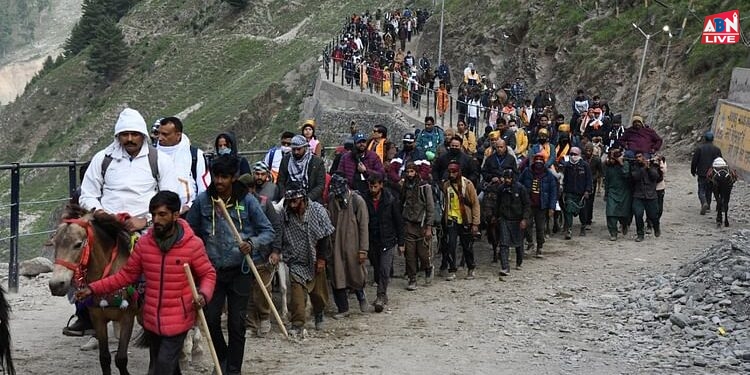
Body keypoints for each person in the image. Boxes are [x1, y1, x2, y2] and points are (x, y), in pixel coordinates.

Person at [76, 191, 216, 375]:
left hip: (178, 318)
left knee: (161, 368)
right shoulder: (145, 244)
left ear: (175, 215)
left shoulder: (192, 244)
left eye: (162, 215)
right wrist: (92, 289)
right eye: (154, 215)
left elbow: (208, 273)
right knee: (168, 368)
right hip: (152, 320)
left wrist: (203, 295)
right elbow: (126, 276)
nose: (156, 220)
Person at [76, 108, 182, 349]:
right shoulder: (102, 158)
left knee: (160, 269)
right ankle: (86, 314)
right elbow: (88, 193)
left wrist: (146, 219)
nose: (130, 139)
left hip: (146, 228)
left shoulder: (159, 160)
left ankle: (156, 313)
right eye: (125, 134)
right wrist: (101, 212)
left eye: (135, 134)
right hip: (106, 227)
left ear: (143, 135)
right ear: (118, 136)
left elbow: (171, 195)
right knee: (76, 254)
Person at [186, 155, 274, 375]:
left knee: (236, 323)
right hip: (211, 272)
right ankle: (224, 359)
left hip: (240, 270)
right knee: (211, 320)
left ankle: (233, 370)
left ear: (233, 178)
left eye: (224, 177)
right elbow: (189, 232)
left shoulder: (247, 200)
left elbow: (268, 231)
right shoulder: (203, 201)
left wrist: (252, 244)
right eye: (216, 176)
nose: (219, 181)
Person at [282, 182, 335, 334]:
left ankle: (319, 313)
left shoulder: (318, 211)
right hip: (296, 259)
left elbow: (325, 236)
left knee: (318, 294)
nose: (292, 205)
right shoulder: (285, 214)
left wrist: (321, 259)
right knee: (297, 295)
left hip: (315, 257)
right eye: (289, 201)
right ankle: (297, 323)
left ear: (303, 199)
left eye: (295, 201)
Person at [236, 173, 283, 338]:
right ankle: (250, 323)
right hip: (243, 256)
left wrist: (276, 251)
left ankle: (264, 318)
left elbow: (276, 227)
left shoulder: (264, 203)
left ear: (251, 188)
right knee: (246, 291)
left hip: (263, 254)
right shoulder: (235, 204)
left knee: (262, 289)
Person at [328, 173, 369, 317]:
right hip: (336, 244)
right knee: (337, 276)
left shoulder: (357, 201)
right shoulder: (332, 199)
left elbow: (364, 227)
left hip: (354, 244)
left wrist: (363, 249)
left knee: (356, 274)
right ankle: (343, 308)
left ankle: (361, 297)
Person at [362, 172, 404, 312]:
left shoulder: (390, 200)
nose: (372, 189)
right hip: (372, 240)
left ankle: (381, 295)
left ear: (380, 185)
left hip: (388, 239)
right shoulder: (364, 199)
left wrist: (401, 242)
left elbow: (398, 222)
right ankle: (382, 294)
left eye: (375, 186)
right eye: (370, 186)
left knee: (385, 269)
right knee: (377, 266)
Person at [156, 116, 211, 210]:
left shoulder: (195, 155)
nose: (160, 138)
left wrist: (190, 207)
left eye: (165, 134)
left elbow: (205, 188)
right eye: (159, 133)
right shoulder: (152, 155)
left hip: (189, 212)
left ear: (178, 135)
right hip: (160, 213)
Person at [439, 161, 480, 280]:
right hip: (452, 219)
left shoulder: (467, 184)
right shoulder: (447, 185)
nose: (451, 174)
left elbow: (475, 204)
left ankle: (471, 268)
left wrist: (475, 222)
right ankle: (452, 270)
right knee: (450, 246)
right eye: (450, 172)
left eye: (454, 172)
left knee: (467, 246)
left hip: (465, 220)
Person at [399, 162, 435, 290]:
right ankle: (412, 278)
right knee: (409, 254)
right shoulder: (404, 186)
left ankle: (428, 268)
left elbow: (430, 208)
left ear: (416, 172)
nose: (409, 174)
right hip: (408, 223)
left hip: (422, 224)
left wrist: (429, 226)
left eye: (412, 172)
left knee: (423, 254)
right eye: (407, 172)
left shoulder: (424, 187)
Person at [519, 153, 557, 257]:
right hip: (528, 204)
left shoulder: (548, 175)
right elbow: (519, 184)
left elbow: (553, 192)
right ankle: (530, 242)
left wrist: (551, 207)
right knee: (527, 225)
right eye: (537, 160)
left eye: (541, 160)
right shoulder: (527, 172)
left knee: (540, 228)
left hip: (542, 205)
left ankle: (540, 247)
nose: (538, 162)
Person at [495, 169, 531, 277]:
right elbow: (497, 203)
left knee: (518, 243)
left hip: (518, 219)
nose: (507, 180)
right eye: (506, 178)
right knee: (504, 243)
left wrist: (525, 219)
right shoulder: (501, 189)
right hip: (505, 219)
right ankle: (505, 267)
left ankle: (519, 261)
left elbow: (526, 205)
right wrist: (495, 216)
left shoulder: (520, 189)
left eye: (509, 178)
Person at [277, 135, 327, 203]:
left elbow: (320, 185)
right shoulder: (286, 160)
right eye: (294, 149)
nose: (296, 152)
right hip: (289, 197)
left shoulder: (317, 162)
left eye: (299, 149)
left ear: (305, 148)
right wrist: (285, 197)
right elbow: (280, 181)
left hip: (310, 199)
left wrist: (306, 199)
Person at [560, 146, 592, 239]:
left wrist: (587, 191)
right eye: (571, 154)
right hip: (570, 192)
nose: (573, 156)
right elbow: (563, 178)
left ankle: (583, 226)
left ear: (579, 155)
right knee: (568, 211)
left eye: (575, 154)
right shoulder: (567, 166)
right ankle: (569, 230)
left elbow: (589, 179)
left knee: (582, 212)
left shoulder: (585, 165)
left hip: (581, 193)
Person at [630, 151, 662, 242]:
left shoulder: (653, 165)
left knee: (653, 215)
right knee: (638, 214)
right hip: (638, 195)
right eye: (636, 157)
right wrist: (644, 168)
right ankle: (640, 234)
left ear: (644, 157)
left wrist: (649, 168)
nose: (638, 159)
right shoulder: (634, 166)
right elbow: (635, 177)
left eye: (640, 156)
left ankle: (656, 227)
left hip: (651, 195)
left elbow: (656, 177)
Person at [690, 131, 723, 215]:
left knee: (701, 190)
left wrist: (693, 171)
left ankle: (704, 202)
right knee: (709, 189)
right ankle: (708, 206)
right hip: (713, 173)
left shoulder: (700, 149)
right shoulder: (717, 149)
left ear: (705, 139)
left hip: (701, 173)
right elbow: (720, 161)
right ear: (712, 139)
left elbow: (694, 161)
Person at [603, 147, 632, 241]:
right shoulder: (608, 166)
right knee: (610, 212)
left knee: (624, 213)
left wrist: (621, 163)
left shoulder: (625, 164)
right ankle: (613, 232)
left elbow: (627, 175)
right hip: (612, 191)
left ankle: (624, 224)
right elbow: (606, 180)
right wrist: (606, 193)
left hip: (624, 191)